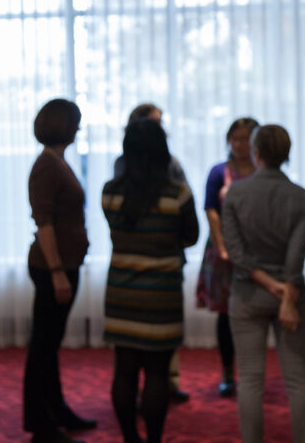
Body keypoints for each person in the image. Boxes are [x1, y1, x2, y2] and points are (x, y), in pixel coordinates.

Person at [102, 119, 200, 443]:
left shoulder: (110, 193)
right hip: (161, 293)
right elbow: (191, 237)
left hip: (122, 292)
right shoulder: (178, 194)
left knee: (124, 371)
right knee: (157, 373)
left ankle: (131, 438)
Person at [222, 124, 305, 443]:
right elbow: (297, 254)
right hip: (289, 295)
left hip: (248, 294)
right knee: (298, 380)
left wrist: (266, 282)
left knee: (249, 380)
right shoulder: (303, 198)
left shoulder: (235, 193)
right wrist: (285, 295)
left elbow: (235, 252)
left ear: (256, 153)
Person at [24, 98, 96, 443]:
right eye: (76, 122)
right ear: (64, 125)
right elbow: (44, 223)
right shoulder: (46, 166)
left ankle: (56, 410)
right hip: (53, 268)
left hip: (64, 265)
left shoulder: (56, 161)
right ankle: (41, 424)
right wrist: (56, 272)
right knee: (43, 345)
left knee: (50, 345)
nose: (79, 128)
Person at [113, 102, 190, 404]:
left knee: (158, 353)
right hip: (150, 265)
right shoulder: (121, 168)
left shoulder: (173, 166)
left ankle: (169, 382)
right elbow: (188, 227)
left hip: (144, 267)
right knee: (131, 357)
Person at [196, 117, 259, 397]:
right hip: (222, 251)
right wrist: (223, 246)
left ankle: (251, 372)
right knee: (225, 315)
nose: (240, 144)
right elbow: (210, 210)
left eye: (246, 138)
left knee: (254, 313)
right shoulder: (218, 172)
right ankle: (226, 371)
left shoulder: (263, 171)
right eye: (235, 138)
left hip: (256, 251)